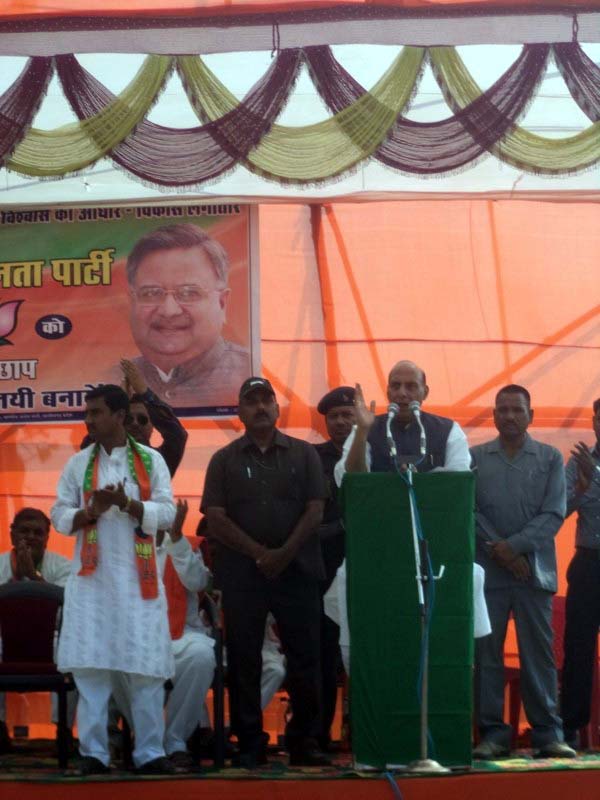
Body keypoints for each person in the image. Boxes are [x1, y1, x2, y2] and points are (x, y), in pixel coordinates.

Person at [201, 377, 329, 768]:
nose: (259, 407)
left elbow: (316, 508)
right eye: (251, 401)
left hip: (298, 571)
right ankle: (250, 742)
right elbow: (215, 518)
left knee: (306, 657)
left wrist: (284, 553)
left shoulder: (304, 454)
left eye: (266, 400)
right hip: (243, 574)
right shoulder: (223, 460)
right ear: (239, 411)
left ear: (277, 408)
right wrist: (260, 554)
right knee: (244, 660)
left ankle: (304, 740)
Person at [51, 384, 177, 775]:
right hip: (93, 583)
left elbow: (169, 514)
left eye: (96, 412)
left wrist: (127, 504)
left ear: (119, 417)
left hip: (139, 582)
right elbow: (58, 515)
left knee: (144, 668)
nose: (88, 419)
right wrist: (92, 510)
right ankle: (94, 753)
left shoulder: (153, 461)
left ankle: (151, 753)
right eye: (88, 413)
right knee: (91, 667)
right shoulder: (77, 464)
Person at [470, 384, 575, 759]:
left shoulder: (549, 459)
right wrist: (499, 550)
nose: (510, 416)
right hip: (489, 575)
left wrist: (513, 548)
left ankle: (547, 733)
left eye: (517, 409)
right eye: (502, 409)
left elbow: (553, 514)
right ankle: (493, 733)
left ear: (530, 415)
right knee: (487, 654)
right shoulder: (474, 458)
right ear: (494, 415)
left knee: (538, 655)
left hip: (534, 575)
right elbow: (469, 512)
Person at [112, 499, 216, 770]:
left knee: (202, 656)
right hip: (139, 639)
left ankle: (174, 742)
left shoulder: (186, 545)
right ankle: (146, 737)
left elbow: (198, 582)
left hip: (181, 637)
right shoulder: (125, 550)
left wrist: (177, 539)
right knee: (113, 657)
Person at [126, 223, 250, 407]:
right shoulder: (116, 380)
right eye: (151, 293)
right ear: (132, 302)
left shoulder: (250, 373)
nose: (169, 311)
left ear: (222, 303)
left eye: (189, 293)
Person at [0, 508, 73, 753]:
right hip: (3, 641)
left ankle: (63, 727)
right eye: (24, 531)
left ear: (47, 537)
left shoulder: (64, 567)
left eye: (38, 532)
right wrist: (17, 578)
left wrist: (34, 577)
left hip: (52, 640)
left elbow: (70, 613)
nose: (31, 537)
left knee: (73, 652)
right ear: (11, 535)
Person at [334, 360, 471, 482]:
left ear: (425, 392)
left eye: (411, 386)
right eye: (395, 386)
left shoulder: (448, 429)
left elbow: (460, 481)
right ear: (388, 392)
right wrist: (362, 431)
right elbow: (349, 479)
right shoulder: (365, 429)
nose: (402, 393)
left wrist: (423, 481)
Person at [314, 386, 356, 750]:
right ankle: (319, 735)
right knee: (325, 658)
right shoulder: (311, 458)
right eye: (334, 417)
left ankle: (362, 732)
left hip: (370, 570)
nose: (341, 422)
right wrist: (343, 528)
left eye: (347, 415)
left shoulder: (377, 456)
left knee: (366, 655)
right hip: (325, 570)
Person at [561, 398, 600, 749]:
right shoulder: (579, 462)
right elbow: (557, 509)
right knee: (578, 649)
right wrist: (581, 489)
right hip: (589, 564)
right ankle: (571, 729)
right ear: (593, 422)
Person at [85, 359, 188, 477]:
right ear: (119, 421)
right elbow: (94, 436)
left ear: (153, 426)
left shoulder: (161, 460)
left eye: (142, 419)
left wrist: (145, 393)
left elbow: (178, 435)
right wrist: (118, 401)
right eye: (128, 419)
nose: (135, 423)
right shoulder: (99, 457)